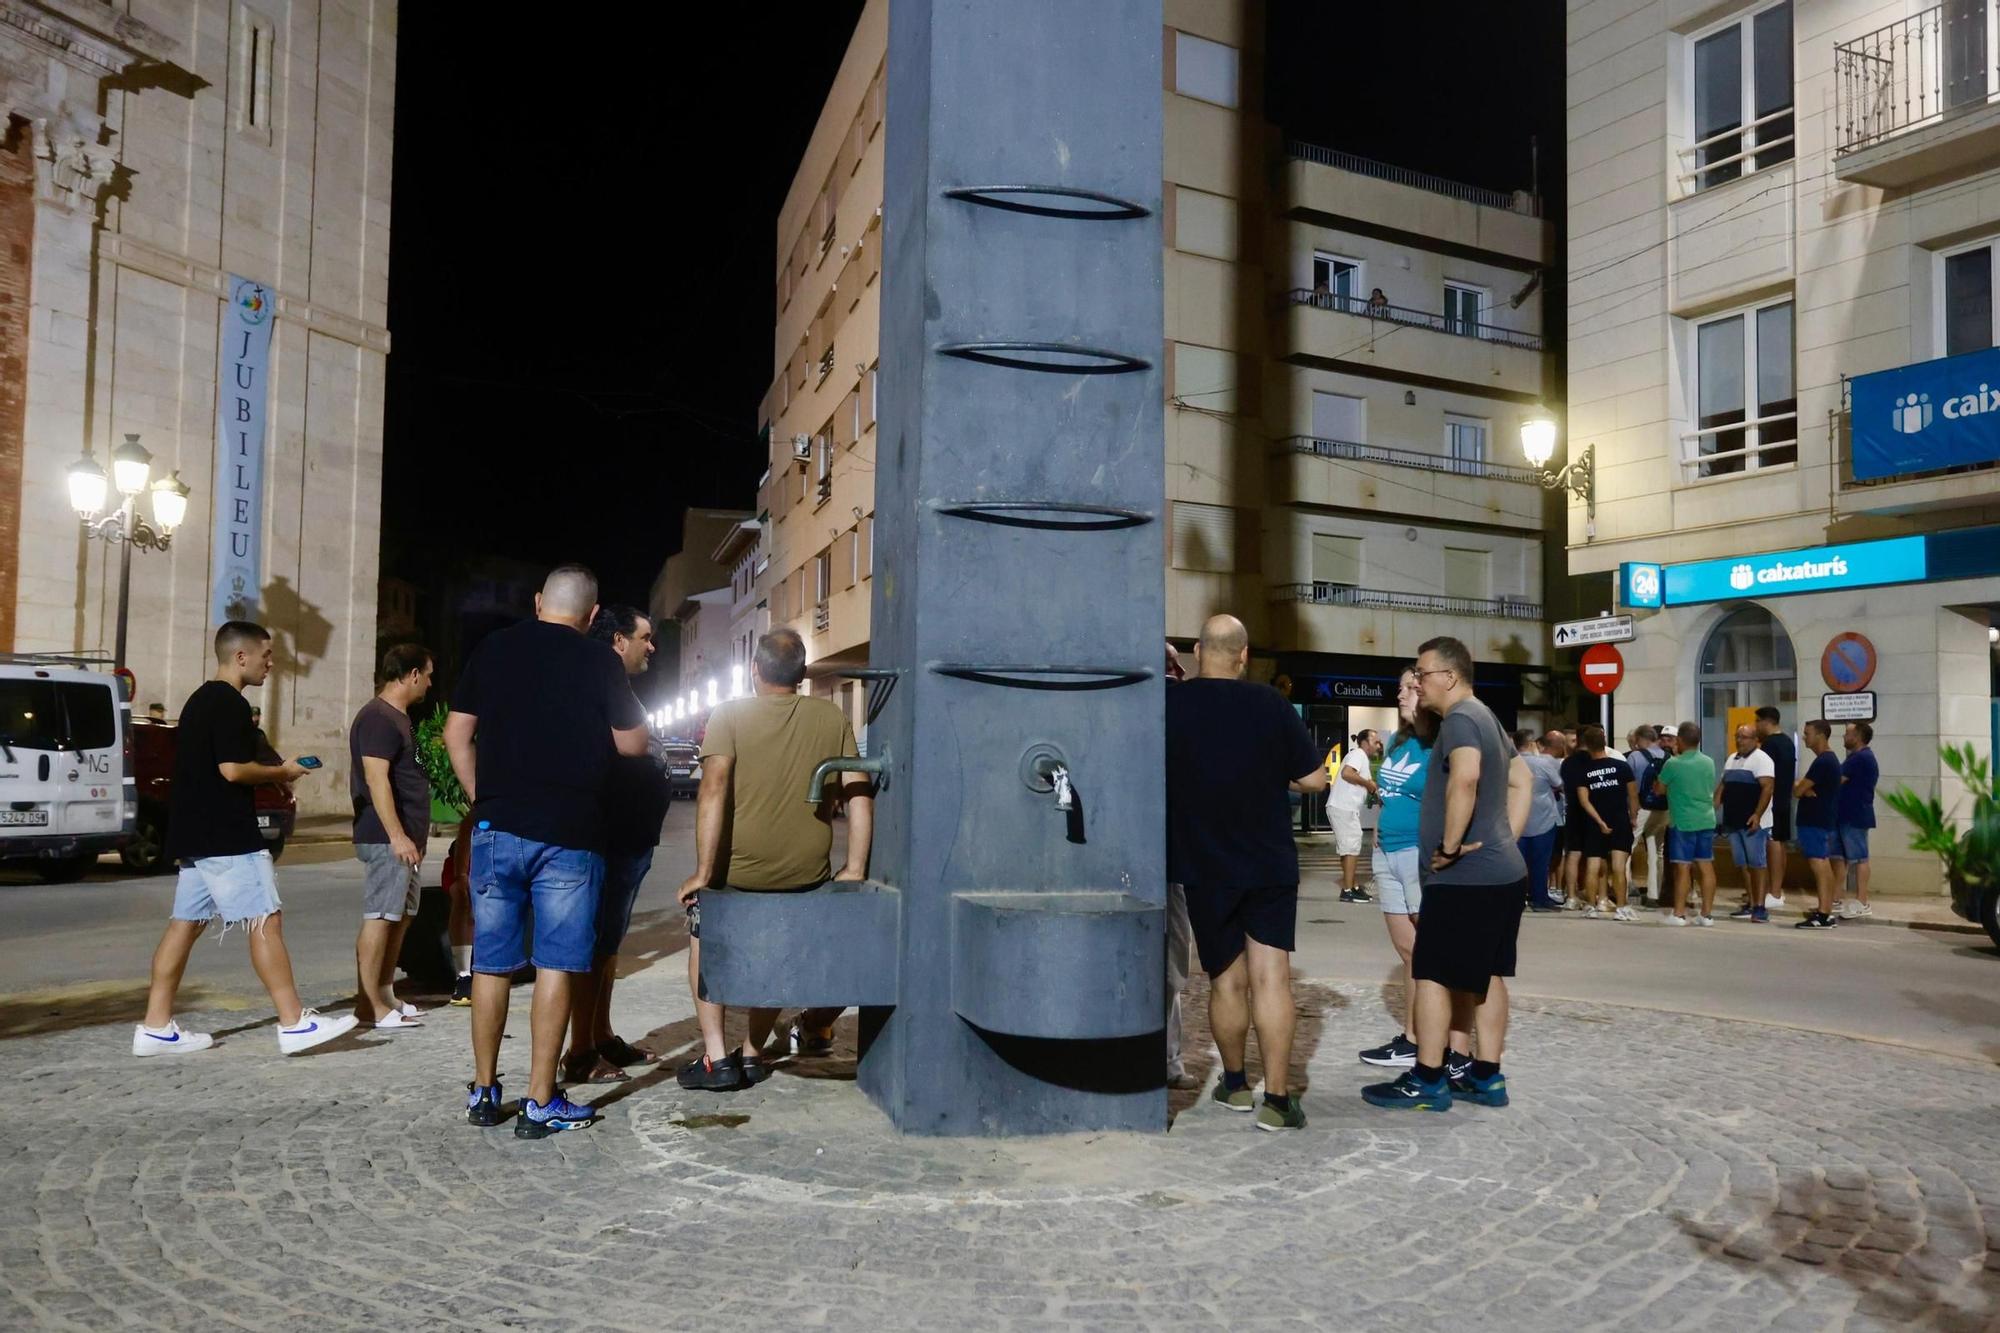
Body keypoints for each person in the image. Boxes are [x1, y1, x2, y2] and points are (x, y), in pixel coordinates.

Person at [444, 564, 650, 1139]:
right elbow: (633, 743)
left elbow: (455, 736)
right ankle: (540, 1100)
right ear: (590, 616)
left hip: (496, 825)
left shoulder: (493, 649)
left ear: (538, 602)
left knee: (492, 961)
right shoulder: (599, 661)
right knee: (557, 962)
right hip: (570, 833)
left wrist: (483, 797)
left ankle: (485, 1092)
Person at [133, 621, 356, 1058]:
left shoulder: (198, 701)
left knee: (185, 925)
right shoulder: (231, 703)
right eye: (267, 655)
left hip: (196, 835)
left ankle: (155, 1026)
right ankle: (293, 1022)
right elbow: (233, 770)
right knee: (264, 919)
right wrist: (282, 772)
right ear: (241, 657)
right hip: (227, 834)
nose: (271, 664)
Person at [676, 628, 874, 1090]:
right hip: (804, 872)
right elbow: (858, 791)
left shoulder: (729, 716)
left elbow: (713, 788)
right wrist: (856, 866)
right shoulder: (830, 717)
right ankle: (751, 1051)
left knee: (705, 944)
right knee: (772, 954)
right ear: (803, 674)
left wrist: (703, 873)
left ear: (754, 670)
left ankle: (716, 1058)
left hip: (736, 871)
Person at [1165, 614, 1327, 1131]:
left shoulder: (1171, 706)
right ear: (1243, 655)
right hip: (1269, 861)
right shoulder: (1270, 704)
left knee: (1225, 983)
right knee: (1272, 978)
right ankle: (1278, 1101)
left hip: (1204, 864)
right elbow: (1313, 779)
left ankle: (1234, 1085)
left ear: (1196, 651)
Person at [1363, 636, 1530, 1113]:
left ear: (1449, 676)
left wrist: (1450, 847)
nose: (1417, 681)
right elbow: (1524, 781)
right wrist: (1503, 839)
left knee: (1433, 971)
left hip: (1465, 876)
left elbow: (1467, 777)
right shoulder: (1488, 717)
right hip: (1500, 871)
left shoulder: (1459, 719)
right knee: (1487, 974)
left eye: (1422, 673)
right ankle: (1486, 1077)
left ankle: (1428, 1079)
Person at [565, 606, 673, 1084]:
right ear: (617, 641)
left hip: (631, 838)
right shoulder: (598, 683)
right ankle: (582, 1051)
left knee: (608, 947)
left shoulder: (615, 684)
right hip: (611, 837)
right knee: (594, 947)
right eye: (645, 638)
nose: (651, 647)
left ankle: (601, 1034)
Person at [348, 641, 436, 1028]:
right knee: (381, 916)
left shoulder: (398, 718)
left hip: (406, 841)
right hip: (388, 839)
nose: (430, 685)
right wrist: (397, 835)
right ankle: (368, 1005)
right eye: (428, 676)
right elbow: (376, 778)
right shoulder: (378, 718)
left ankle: (384, 993)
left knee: (399, 917)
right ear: (413, 674)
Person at [1163, 641, 1196, 1091]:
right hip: (1168, 856)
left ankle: (1167, 1057)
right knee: (1169, 961)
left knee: (1170, 962)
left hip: (1170, 854)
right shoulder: (1179, 708)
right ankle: (1165, 1058)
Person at [1657, 722, 1718, 926]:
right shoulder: (1708, 762)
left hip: (1683, 822)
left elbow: (1659, 789)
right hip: (1706, 819)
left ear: (1680, 740)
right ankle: (1706, 914)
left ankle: (1679, 913)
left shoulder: (1673, 764)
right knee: (1706, 865)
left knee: (1682, 868)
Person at [1577, 725, 1638, 922]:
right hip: (1620, 821)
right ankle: (1621, 908)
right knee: (1619, 867)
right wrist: (1633, 816)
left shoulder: (1584, 771)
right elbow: (1632, 795)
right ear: (1605, 743)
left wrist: (1599, 821)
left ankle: (1590, 906)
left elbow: (1584, 801)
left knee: (1593, 865)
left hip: (1594, 825)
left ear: (1586, 746)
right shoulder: (1622, 766)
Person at [1719, 724, 1776, 923]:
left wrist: (1757, 815)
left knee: (1757, 864)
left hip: (1753, 822)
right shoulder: (1732, 759)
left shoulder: (1762, 760)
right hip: (1734, 820)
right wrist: (1714, 807)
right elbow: (1723, 785)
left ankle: (1760, 907)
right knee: (1743, 864)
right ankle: (1751, 901)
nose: (1739, 740)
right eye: (1738, 736)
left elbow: (1767, 788)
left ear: (1755, 740)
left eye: (1744, 737)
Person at [1792, 720, 1843, 930]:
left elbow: (1797, 789)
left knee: (1819, 865)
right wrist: (1803, 788)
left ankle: (1823, 914)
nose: (1804, 737)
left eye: (1807, 733)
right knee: (1823, 864)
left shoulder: (1824, 761)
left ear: (1821, 735)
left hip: (1815, 820)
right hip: (1821, 819)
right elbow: (1802, 788)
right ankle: (1826, 909)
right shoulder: (1827, 761)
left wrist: (1802, 787)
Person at [1831, 722, 1879, 918]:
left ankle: (1862, 901)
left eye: (1847, 734)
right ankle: (1836, 898)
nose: (1844, 737)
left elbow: (1836, 780)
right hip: (1846, 814)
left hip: (1855, 814)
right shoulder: (1857, 758)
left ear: (1857, 736)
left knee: (1859, 857)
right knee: (1841, 858)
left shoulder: (1859, 758)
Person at [1515, 730, 1564, 911]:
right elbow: (1559, 784)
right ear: (1531, 744)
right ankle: (1539, 898)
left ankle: (1518, 899)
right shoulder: (1542, 764)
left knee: (1517, 864)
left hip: (1516, 821)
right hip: (1542, 819)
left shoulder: (1508, 763)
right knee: (1540, 863)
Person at [1331, 729, 1381, 904]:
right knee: (1351, 847)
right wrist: (1368, 783)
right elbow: (1347, 773)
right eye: (1375, 742)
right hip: (1343, 807)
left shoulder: (1360, 757)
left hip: (1344, 807)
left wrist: (1370, 786)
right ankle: (1347, 890)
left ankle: (1353, 885)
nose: (1379, 745)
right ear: (1365, 743)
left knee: (1348, 847)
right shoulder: (1358, 754)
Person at [1755, 706, 1795, 912]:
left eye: (1757, 722)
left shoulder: (1769, 745)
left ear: (1766, 721)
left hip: (1772, 801)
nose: (1756, 726)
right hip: (1784, 799)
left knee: (1774, 843)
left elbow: (1765, 777)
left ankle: (1775, 892)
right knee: (1781, 842)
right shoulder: (1788, 742)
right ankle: (1775, 888)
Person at [1626, 726, 1671, 903]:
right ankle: (1654, 894)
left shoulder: (1635, 757)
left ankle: (1627, 887)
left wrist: (1631, 811)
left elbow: (1629, 786)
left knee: (1627, 848)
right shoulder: (1668, 757)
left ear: (1639, 739)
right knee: (1657, 851)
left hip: (1641, 808)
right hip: (1663, 809)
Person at [1556, 728, 1592, 911]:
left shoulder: (1567, 763)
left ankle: (1571, 896)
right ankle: (1590, 895)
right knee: (1593, 856)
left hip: (1572, 811)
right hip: (1592, 811)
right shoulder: (1595, 761)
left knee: (1573, 854)